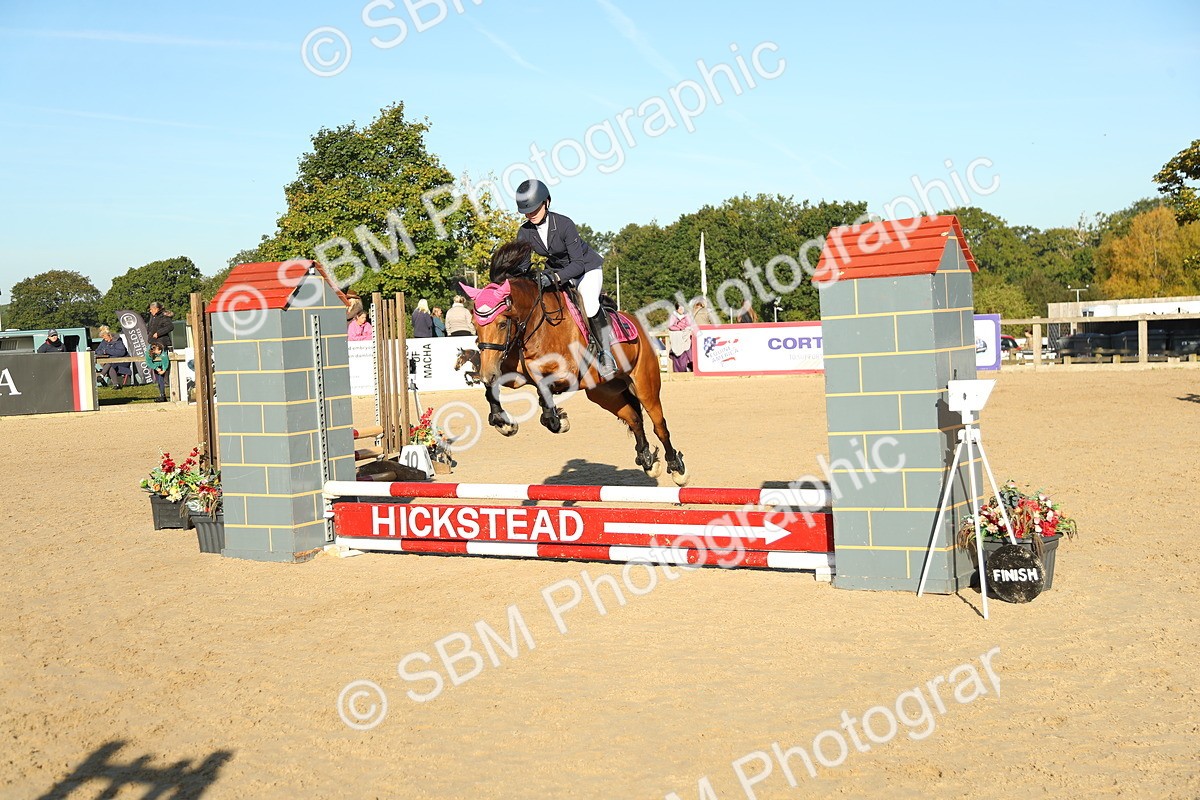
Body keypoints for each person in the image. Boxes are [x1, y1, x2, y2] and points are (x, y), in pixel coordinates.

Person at [514, 178, 614, 378]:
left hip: (586, 269)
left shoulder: (564, 224)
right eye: (527, 212)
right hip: (556, 272)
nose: (531, 215)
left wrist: (554, 278)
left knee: (589, 303)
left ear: (547, 203)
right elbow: (523, 266)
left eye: (535, 209)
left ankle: (606, 353)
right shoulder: (525, 232)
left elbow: (577, 264)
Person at [667, 303, 694, 373]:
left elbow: (690, 324)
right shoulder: (673, 316)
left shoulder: (687, 315)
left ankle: (689, 366)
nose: (681, 310)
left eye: (682, 308)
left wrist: (686, 328)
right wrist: (679, 328)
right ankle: (679, 370)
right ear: (677, 309)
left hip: (685, 337)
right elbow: (670, 326)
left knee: (688, 351)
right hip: (677, 336)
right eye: (680, 308)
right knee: (678, 355)